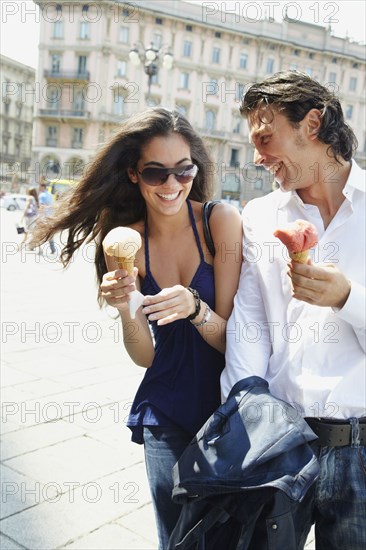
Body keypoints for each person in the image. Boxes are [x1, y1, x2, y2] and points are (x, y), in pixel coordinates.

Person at [32, 107, 243, 549]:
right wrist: (126, 308)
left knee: (225, 538)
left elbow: (233, 341)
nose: (172, 185)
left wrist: (195, 307)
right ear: (133, 174)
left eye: (183, 171)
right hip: (164, 408)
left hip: (225, 410)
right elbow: (146, 355)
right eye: (155, 173)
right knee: (175, 539)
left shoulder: (219, 222)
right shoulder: (126, 241)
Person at [221, 71, 365, 549]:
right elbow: (250, 320)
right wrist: (244, 405)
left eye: (265, 137)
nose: (258, 157)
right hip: (280, 440)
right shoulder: (261, 215)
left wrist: (348, 298)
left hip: (360, 448)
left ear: (313, 123)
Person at [38, 179, 56, 254]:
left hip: (44, 217)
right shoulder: (50, 194)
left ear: (43, 187)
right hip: (50, 216)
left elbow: (42, 206)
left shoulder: (42, 195)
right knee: (49, 233)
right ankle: (53, 248)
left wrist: (39, 216)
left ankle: (37, 248)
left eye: (40, 187)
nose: (39, 188)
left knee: (39, 232)